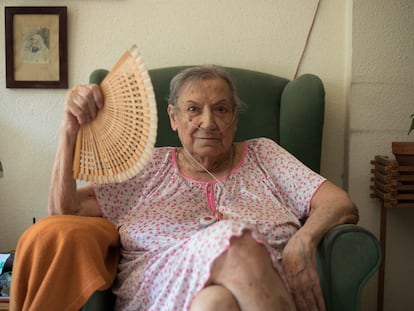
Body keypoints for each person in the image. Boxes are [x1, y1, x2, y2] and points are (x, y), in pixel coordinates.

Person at [11, 66, 359, 311]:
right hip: (158, 294)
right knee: (235, 243)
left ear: (235, 117)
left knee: (215, 304)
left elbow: (339, 204)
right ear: (173, 118)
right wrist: (68, 130)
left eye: (221, 109)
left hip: (252, 293)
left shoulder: (265, 156)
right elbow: (66, 211)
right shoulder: (148, 168)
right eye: (193, 109)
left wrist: (304, 239)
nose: (208, 122)